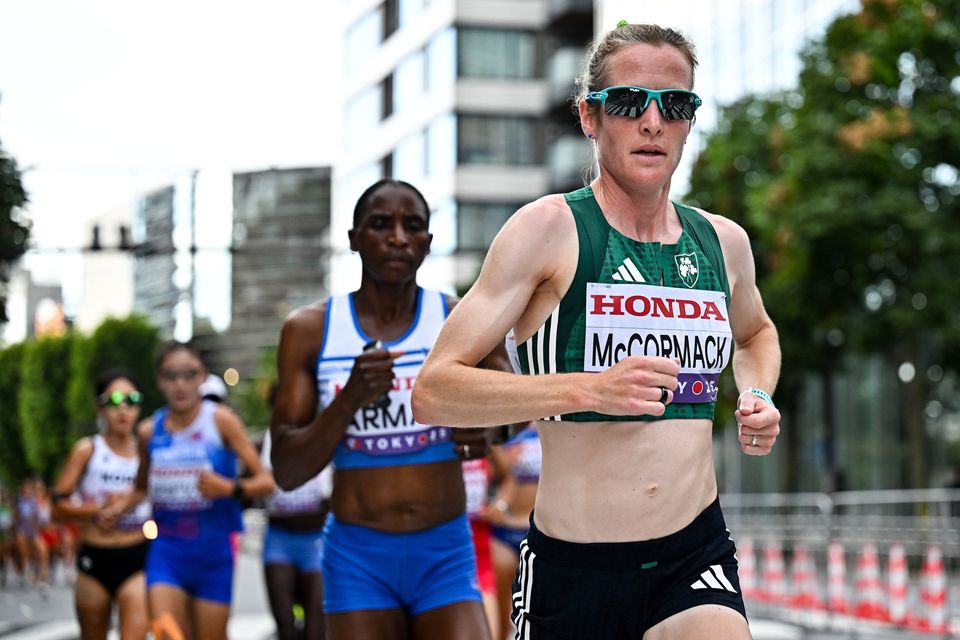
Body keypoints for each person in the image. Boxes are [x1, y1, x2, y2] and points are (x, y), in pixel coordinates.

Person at [412, 22, 782, 640]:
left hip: (694, 553)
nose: (653, 122)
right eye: (629, 103)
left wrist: (760, 395)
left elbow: (757, 334)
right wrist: (584, 390)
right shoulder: (547, 230)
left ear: (691, 119)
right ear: (590, 116)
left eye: (675, 105)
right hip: (574, 568)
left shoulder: (723, 242)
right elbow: (435, 390)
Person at [269, 178, 499, 640]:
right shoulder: (311, 330)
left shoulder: (456, 319)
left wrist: (487, 430)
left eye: (412, 225)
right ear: (353, 239)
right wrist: (350, 397)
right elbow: (287, 470)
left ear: (427, 243)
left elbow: (516, 407)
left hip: (444, 551)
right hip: (359, 556)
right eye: (380, 224)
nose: (397, 236)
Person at [103, 342, 274, 640]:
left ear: (202, 377)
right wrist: (115, 509)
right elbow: (141, 488)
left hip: (214, 556)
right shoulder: (148, 431)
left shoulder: (220, 420)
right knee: (167, 634)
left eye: (189, 374)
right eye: (171, 376)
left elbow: (266, 481)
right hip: (168, 554)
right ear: (160, 380)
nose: (180, 384)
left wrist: (229, 487)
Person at [51, 368, 152, 640]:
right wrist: (97, 511)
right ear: (100, 408)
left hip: (137, 555)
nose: (123, 409)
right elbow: (56, 507)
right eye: (114, 400)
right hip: (95, 557)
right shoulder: (88, 450)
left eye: (132, 400)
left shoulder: (149, 450)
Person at [260, 425, 333, 640]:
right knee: (285, 625)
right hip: (279, 538)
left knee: (315, 628)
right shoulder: (273, 434)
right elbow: (260, 476)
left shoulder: (328, 428)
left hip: (316, 539)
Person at [481, 423, 540, 639]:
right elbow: (499, 473)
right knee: (502, 614)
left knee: (539, 610)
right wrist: (499, 505)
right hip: (504, 529)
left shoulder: (554, 424)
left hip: (540, 530)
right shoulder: (501, 426)